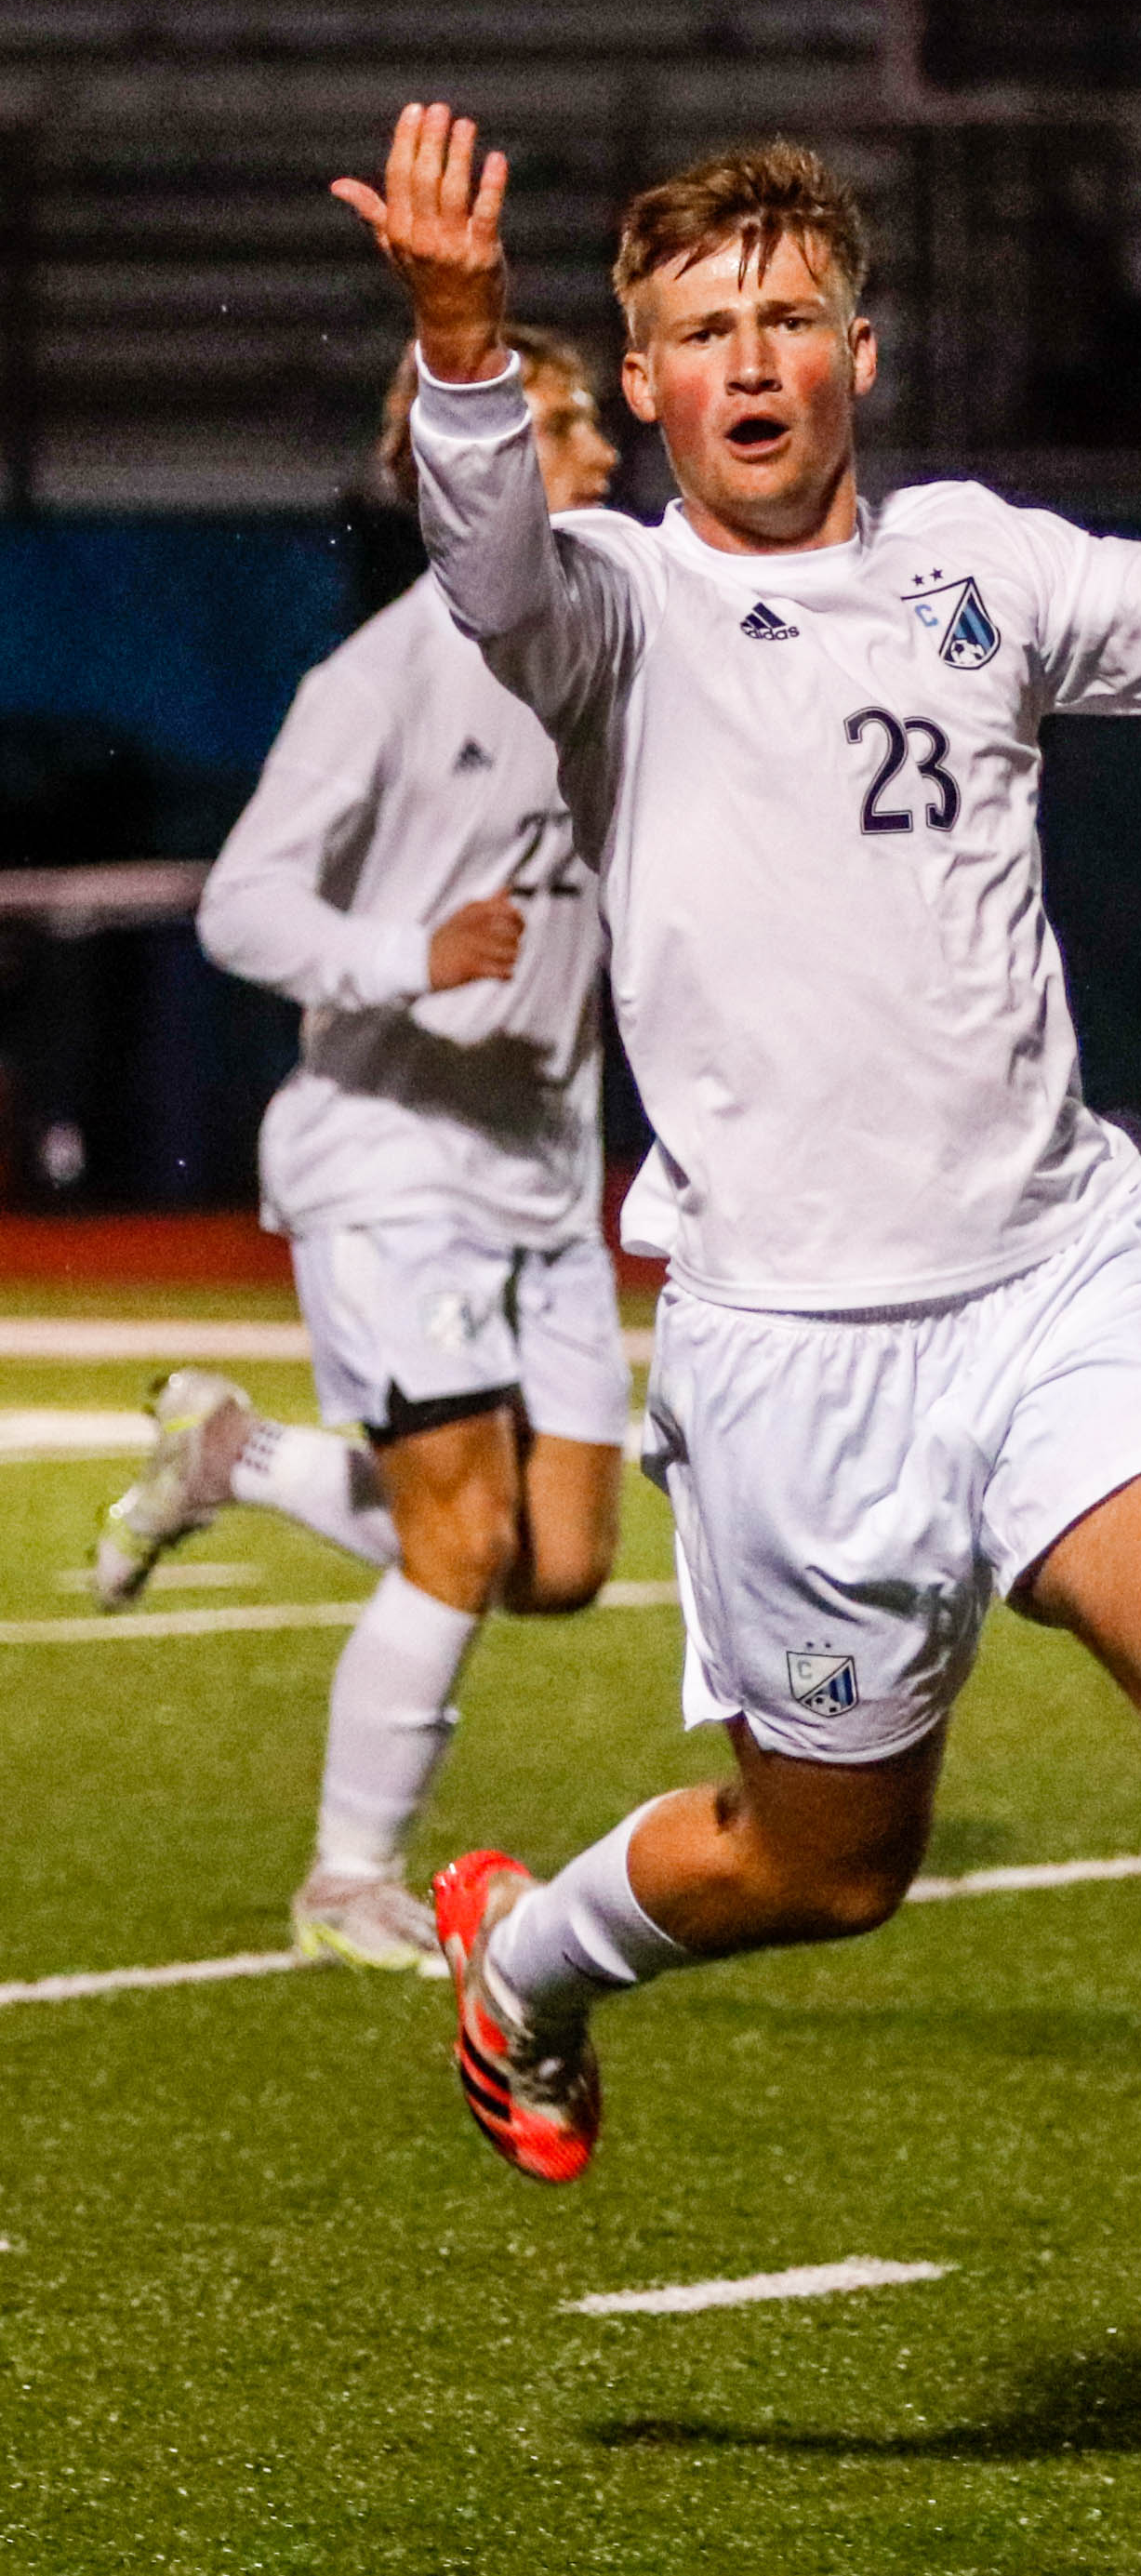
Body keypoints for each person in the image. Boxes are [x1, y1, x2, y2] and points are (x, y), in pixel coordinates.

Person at [336, 102, 1141, 2481]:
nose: (748, 364)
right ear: (634, 385)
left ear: (862, 350)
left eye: (786, 319)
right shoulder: (611, 607)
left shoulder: (984, 569)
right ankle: (525, 1957)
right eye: (697, 332)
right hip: (792, 1354)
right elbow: (484, 560)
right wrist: (450, 335)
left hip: (1061, 1280)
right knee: (825, 1865)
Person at [92, 325, 631, 1978]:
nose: (602, 448)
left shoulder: (608, 633)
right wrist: (409, 956)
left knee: (561, 1565)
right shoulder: (383, 676)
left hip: (543, 1153)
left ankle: (237, 1460)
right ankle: (346, 1878)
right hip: (389, 1144)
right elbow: (243, 901)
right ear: (463, 463)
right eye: (566, 422)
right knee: (459, 1542)